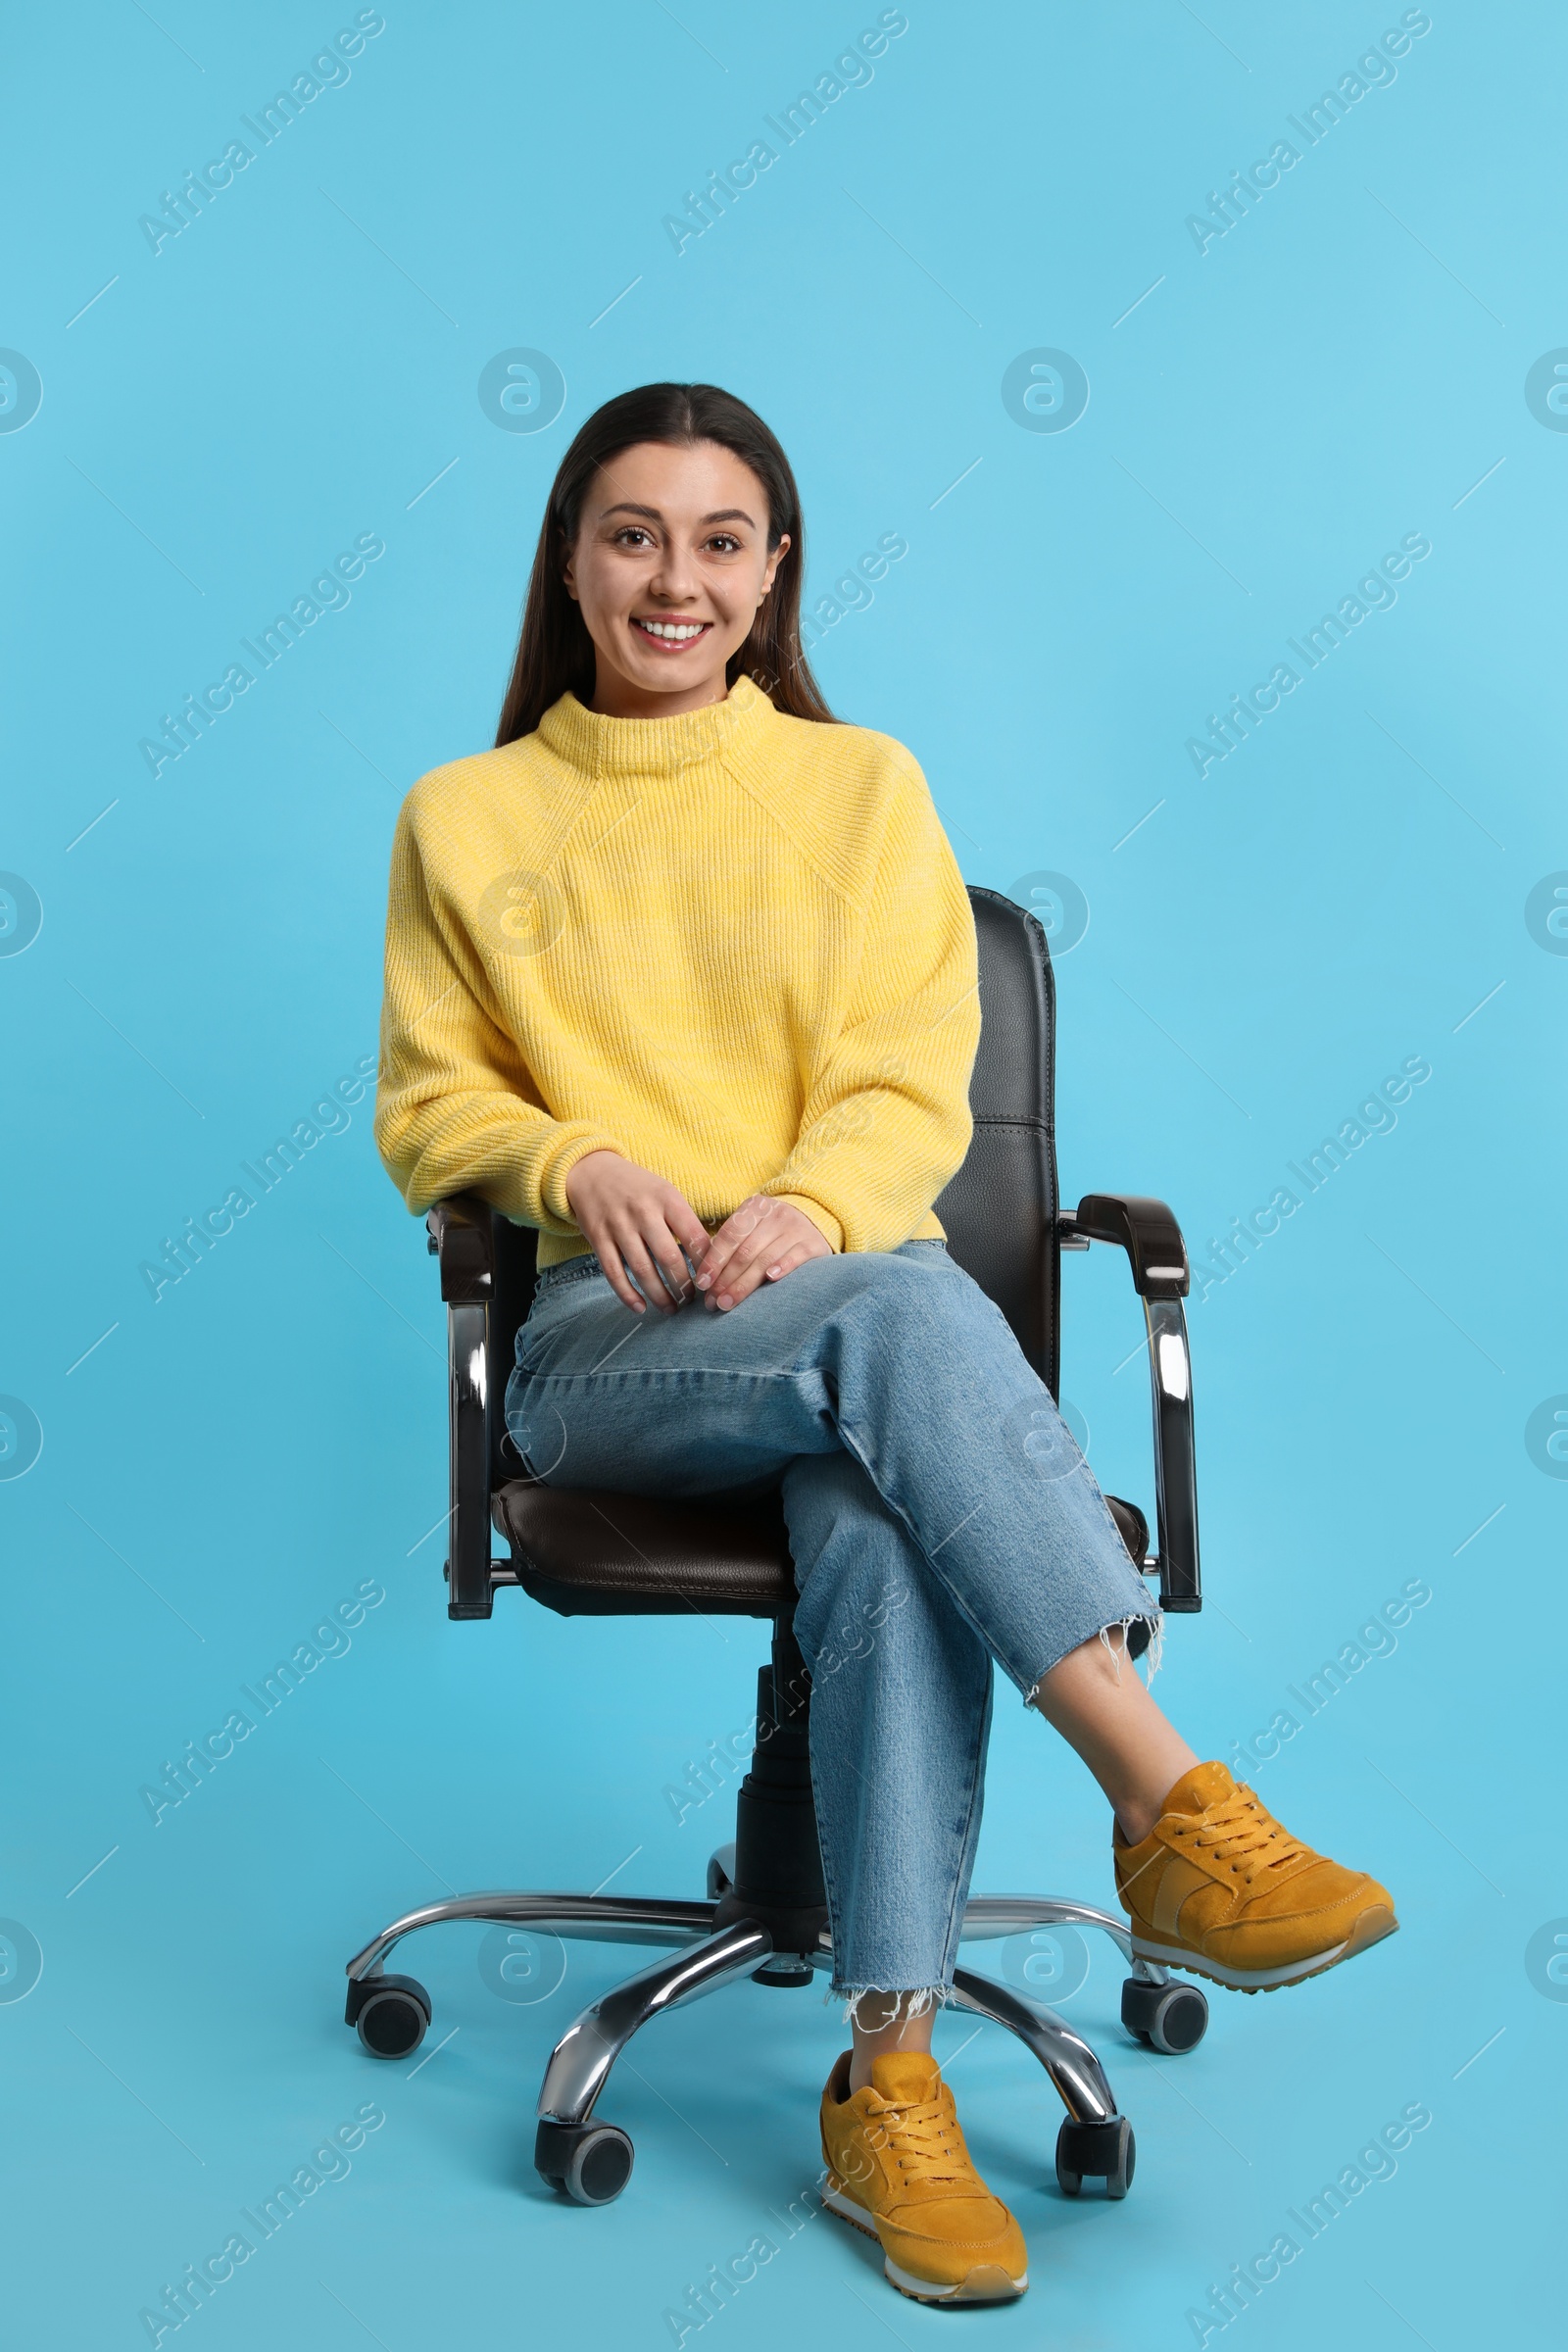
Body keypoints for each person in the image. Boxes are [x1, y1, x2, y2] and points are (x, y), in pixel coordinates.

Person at [373, 381, 1396, 2309]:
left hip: (834, 1336)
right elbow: (430, 1104)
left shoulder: (861, 791)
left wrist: (812, 1208)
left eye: (720, 540)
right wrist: (565, 1155)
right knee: (908, 1318)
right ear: (571, 562)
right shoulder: (468, 817)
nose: (675, 579)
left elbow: (898, 1085)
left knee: (873, 1491)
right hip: (616, 1362)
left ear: (771, 578)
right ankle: (1170, 1804)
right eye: (632, 534)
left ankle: (887, 2076)